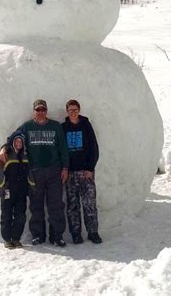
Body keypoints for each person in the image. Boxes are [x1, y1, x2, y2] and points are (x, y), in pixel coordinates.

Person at [2, 99, 69, 247]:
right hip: (34, 172)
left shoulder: (55, 126)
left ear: (46, 110)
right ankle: (38, 235)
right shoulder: (27, 127)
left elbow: (63, 149)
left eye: (43, 109)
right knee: (36, 204)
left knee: (56, 204)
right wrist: (5, 148)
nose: (40, 112)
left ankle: (57, 235)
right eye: (38, 110)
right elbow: (12, 138)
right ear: (34, 111)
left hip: (54, 172)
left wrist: (65, 168)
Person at [62, 99, 102, 244]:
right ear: (67, 111)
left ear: (79, 110)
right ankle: (76, 234)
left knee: (89, 203)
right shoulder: (63, 127)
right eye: (70, 110)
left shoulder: (86, 125)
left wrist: (90, 168)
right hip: (71, 173)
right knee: (73, 205)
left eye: (75, 110)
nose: (73, 112)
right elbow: (61, 151)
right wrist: (65, 169)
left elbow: (94, 148)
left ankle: (93, 232)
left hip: (86, 172)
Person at [0, 132, 33, 249]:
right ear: (13, 142)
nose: (18, 143)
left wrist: (32, 186)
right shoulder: (6, 155)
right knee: (6, 214)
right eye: (16, 141)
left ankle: (16, 238)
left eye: (20, 142)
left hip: (21, 190)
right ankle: (7, 239)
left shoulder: (25, 156)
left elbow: (29, 173)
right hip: (8, 190)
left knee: (20, 215)